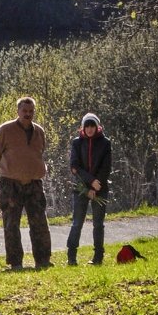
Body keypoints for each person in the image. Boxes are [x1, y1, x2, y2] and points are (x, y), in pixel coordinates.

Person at [0, 96, 53, 271]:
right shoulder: (5, 130)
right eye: (24, 111)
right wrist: (7, 171)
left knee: (39, 222)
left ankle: (43, 260)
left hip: (34, 183)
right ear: (17, 111)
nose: (28, 114)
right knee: (11, 224)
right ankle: (16, 263)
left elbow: (40, 153)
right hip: (10, 184)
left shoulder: (39, 131)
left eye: (31, 111)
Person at [67, 112, 111, 266]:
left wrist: (96, 185)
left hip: (101, 187)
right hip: (81, 188)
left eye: (93, 125)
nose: (90, 129)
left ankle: (98, 257)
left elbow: (106, 167)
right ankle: (71, 257)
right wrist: (90, 182)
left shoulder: (105, 143)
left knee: (98, 224)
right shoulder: (76, 143)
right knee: (77, 223)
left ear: (97, 127)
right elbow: (74, 167)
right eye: (87, 126)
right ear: (83, 127)